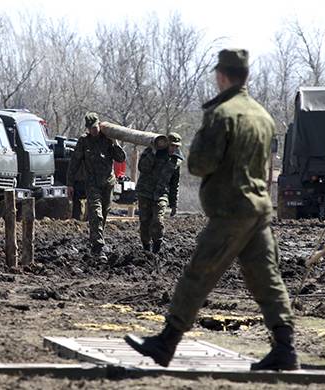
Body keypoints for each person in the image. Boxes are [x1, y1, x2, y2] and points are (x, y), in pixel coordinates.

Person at [125, 49, 299, 371]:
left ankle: (166, 343)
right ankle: (285, 348)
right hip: (258, 210)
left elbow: (199, 164)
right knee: (266, 278)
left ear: (222, 75)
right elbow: (264, 168)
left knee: (198, 273)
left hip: (232, 211)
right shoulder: (262, 116)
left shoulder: (222, 114)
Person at [67, 112, 126, 258]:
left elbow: (121, 158)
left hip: (108, 183)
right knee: (96, 213)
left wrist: (115, 143)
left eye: (95, 127)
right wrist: (70, 184)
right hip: (92, 183)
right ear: (87, 128)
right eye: (91, 128)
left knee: (104, 213)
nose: (94, 130)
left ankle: (95, 240)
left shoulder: (107, 140)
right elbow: (74, 163)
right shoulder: (84, 141)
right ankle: (98, 246)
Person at [136, 133, 183, 253]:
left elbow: (174, 184)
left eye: (176, 146)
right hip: (145, 192)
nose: (174, 148)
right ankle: (146, 249)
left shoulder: (176, 161)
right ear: (166, 144)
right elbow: (142, 167)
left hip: (161, 194)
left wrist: (174, 204)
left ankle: (156, 250)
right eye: (172, 145)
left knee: (158, 221)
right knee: (145, 222)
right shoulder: (151, 151)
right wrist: (153, 153)